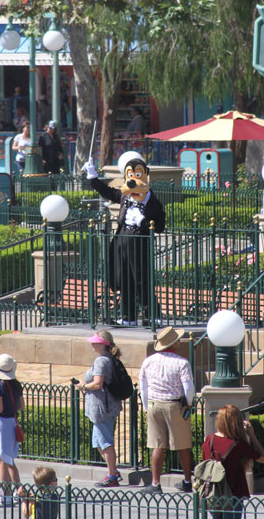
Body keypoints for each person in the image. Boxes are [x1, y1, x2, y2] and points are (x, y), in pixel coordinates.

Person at [85, 155, 167, 325]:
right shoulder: (126, 196)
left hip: (139, 240)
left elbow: (160, 226)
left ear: (145, 175)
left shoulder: (152, 202)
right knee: (124, 278)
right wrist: (93, 176)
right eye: (130, 175)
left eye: (137, 175)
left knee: (141, 278)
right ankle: (128, 317)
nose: (132, 180)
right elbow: (109, 192)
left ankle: (153, 316)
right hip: (122, 238)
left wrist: (143, 221)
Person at [138, 327, 195, 494]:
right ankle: (187, 480)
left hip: (154, 404)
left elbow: (143, 388)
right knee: (182, 445)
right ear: (174, 343)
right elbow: (189, 389)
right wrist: (189, 404)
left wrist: (146, 408)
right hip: (174, 405)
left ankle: (155, 483)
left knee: (157, 445)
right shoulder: (182, 362)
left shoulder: (148, 361)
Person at [201, 404, 264, 518]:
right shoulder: (238, 444)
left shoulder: (209, 440)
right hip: (233, 493)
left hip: (213, 492)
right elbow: (263, 459)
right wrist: (252, 436)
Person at [79, 331, 123, 487]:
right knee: (98, 442)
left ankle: (112, 475)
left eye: (95, 342)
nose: (92, 344)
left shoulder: (101, 361)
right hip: (102, 406)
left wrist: (83, 386)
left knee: (105, 442)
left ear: (102, 344)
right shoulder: (107, 359)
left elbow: (97, 383)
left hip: (102, 407)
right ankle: (114, 470)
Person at [0, 353, 25, 505]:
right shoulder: (16, 385)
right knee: (8, 459)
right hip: (11, 422)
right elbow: (21, 406)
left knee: (1, 460)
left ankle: (6, 495)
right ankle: (16, 491)